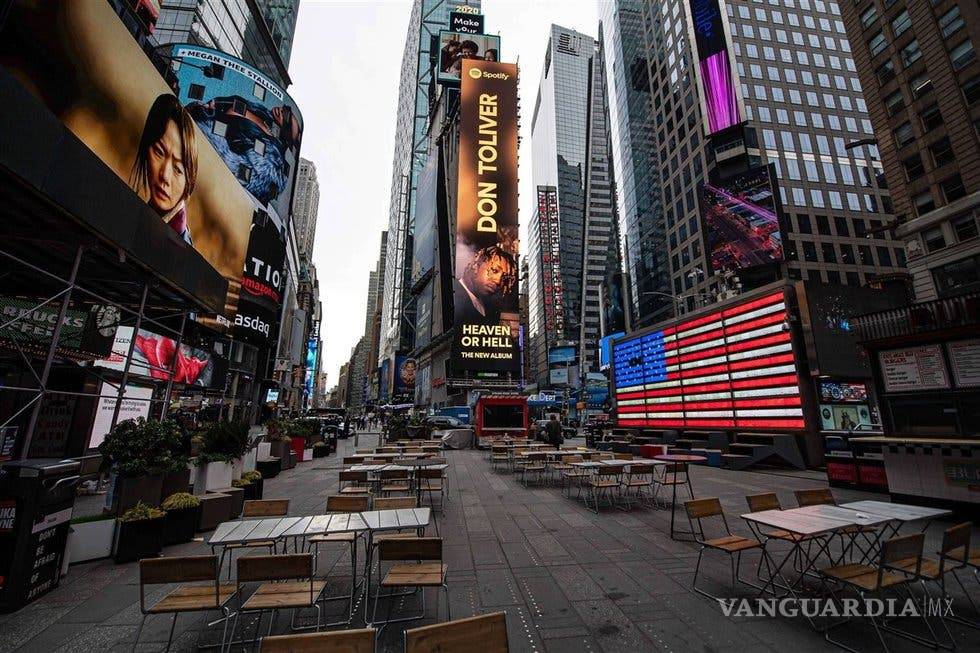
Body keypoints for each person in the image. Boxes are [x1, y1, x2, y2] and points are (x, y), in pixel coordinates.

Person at [130, 94, 198, 244]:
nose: (165, 176)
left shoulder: (180, 249)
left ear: (188, 183)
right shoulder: (133, 217)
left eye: (178, 169)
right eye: (159, 152)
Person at [453, 244, 517, 325]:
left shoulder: (490, 308)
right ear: (476, 265)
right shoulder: (455, 295)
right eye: (494, 270)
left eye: (504, 277)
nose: (498, 281)